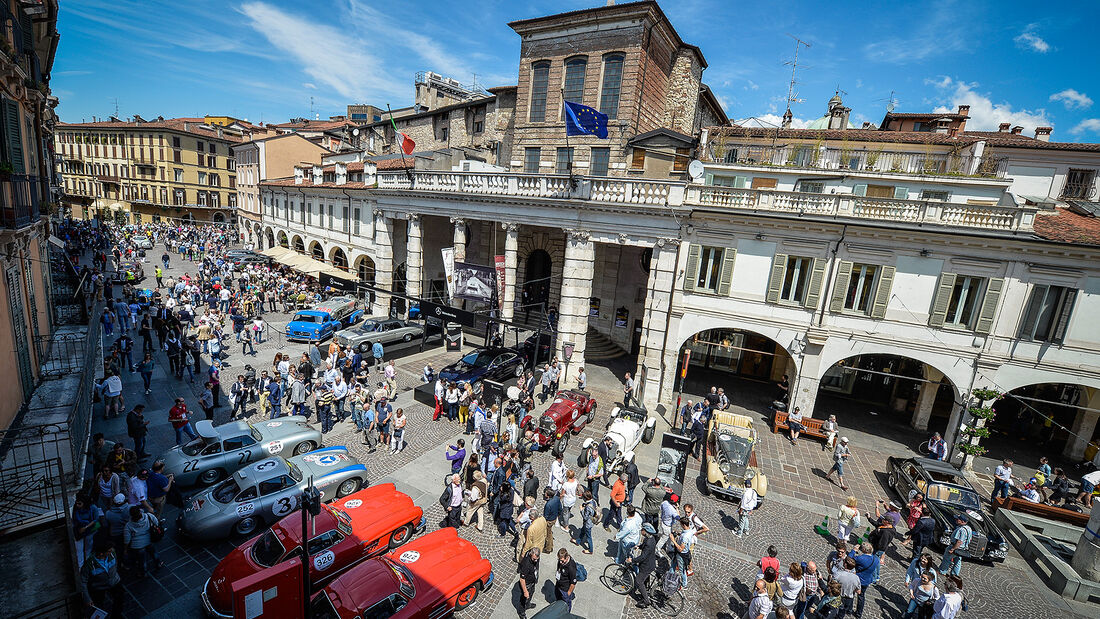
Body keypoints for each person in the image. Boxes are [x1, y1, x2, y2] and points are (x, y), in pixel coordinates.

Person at [81, 539, 124, 618]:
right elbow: (83, 582)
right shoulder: (89, 564)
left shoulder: (113, 553)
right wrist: (87, 598)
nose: (112, 551)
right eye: (109, 551)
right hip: (98, 587)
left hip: (114, 582)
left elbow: (116, 565)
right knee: (99, 605)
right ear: (101, 553)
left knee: (119, 599)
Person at [124, 505, 163, 575]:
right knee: (154, 553)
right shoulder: (148, 516)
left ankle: (144, 572)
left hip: (137, 546)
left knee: (142, 560)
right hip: (149, 540)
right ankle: (158, 563)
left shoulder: (128, 525)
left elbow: (127, 539)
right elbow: (156, 523)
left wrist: (126, 549)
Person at [628, 522, 658, 609]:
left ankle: (646, 601)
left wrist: (632, 560)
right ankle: (646, 590)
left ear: (645, 531)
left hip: (647, 565)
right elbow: (645, 547)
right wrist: (639, 546)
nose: (641, 530)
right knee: (644, 579)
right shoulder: (650, 539)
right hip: (650, 563)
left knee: (638, 581)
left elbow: (643, 557)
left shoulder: (649, 542)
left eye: (642, 529)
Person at [72, 493, 104, 568]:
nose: (77, 505)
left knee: (88, 549)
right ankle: (81, 567)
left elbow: (96, 519)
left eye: (79, 504)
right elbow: (74, 519)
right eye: (76, 503)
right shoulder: (76, 508)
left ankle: (87, 565)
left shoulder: (93, 508)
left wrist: (85, 527)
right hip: (79, 531)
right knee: (79, 551)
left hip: (89, 531)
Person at [939, 513, 972, 577]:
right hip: (962, 549)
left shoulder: (961, 529)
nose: (956, 520)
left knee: (946, 559)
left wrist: (952, 549)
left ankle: (942, 571)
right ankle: (954, 574)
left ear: (962, 521)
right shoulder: (969, 528)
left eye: (958, 519)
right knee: (957, 562)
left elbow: (959, 541)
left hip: (956, 547)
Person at [517, 548, 539, 619]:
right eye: (534, 559)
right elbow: (522, 579)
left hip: (532, 581)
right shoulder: (526, 564)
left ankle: (528, 604)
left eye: (537, 559)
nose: (536, 561)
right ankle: (521, 612)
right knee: (524, 599)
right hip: (526, 583)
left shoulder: (535, 557)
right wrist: (525, 591)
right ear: (530, 554)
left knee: (532, 592)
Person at [575, 489, 597, 554]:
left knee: (588, 537)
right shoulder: (593, 501)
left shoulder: (588, 507)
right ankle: (578, 541)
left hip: (588, 523)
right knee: (582, 531)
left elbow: (585, 517)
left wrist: (581, 510)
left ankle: (590, 550)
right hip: (591, 521)